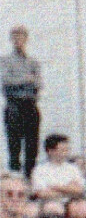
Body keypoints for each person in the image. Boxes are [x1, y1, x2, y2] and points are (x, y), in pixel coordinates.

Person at [3, 25, 39, 179]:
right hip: (14, 105)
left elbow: (38, 83)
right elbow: (6, 81)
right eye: (15, 37)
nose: (18, 40)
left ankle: (30, 178)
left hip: (30, 104)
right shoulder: (6, 61)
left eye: (21, 37)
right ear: (11, 40)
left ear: (26, 39)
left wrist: (23, 81)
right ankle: (15, 179)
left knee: (32, 145)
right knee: (14, 144)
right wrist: (26, 79)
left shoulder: (33, 62)